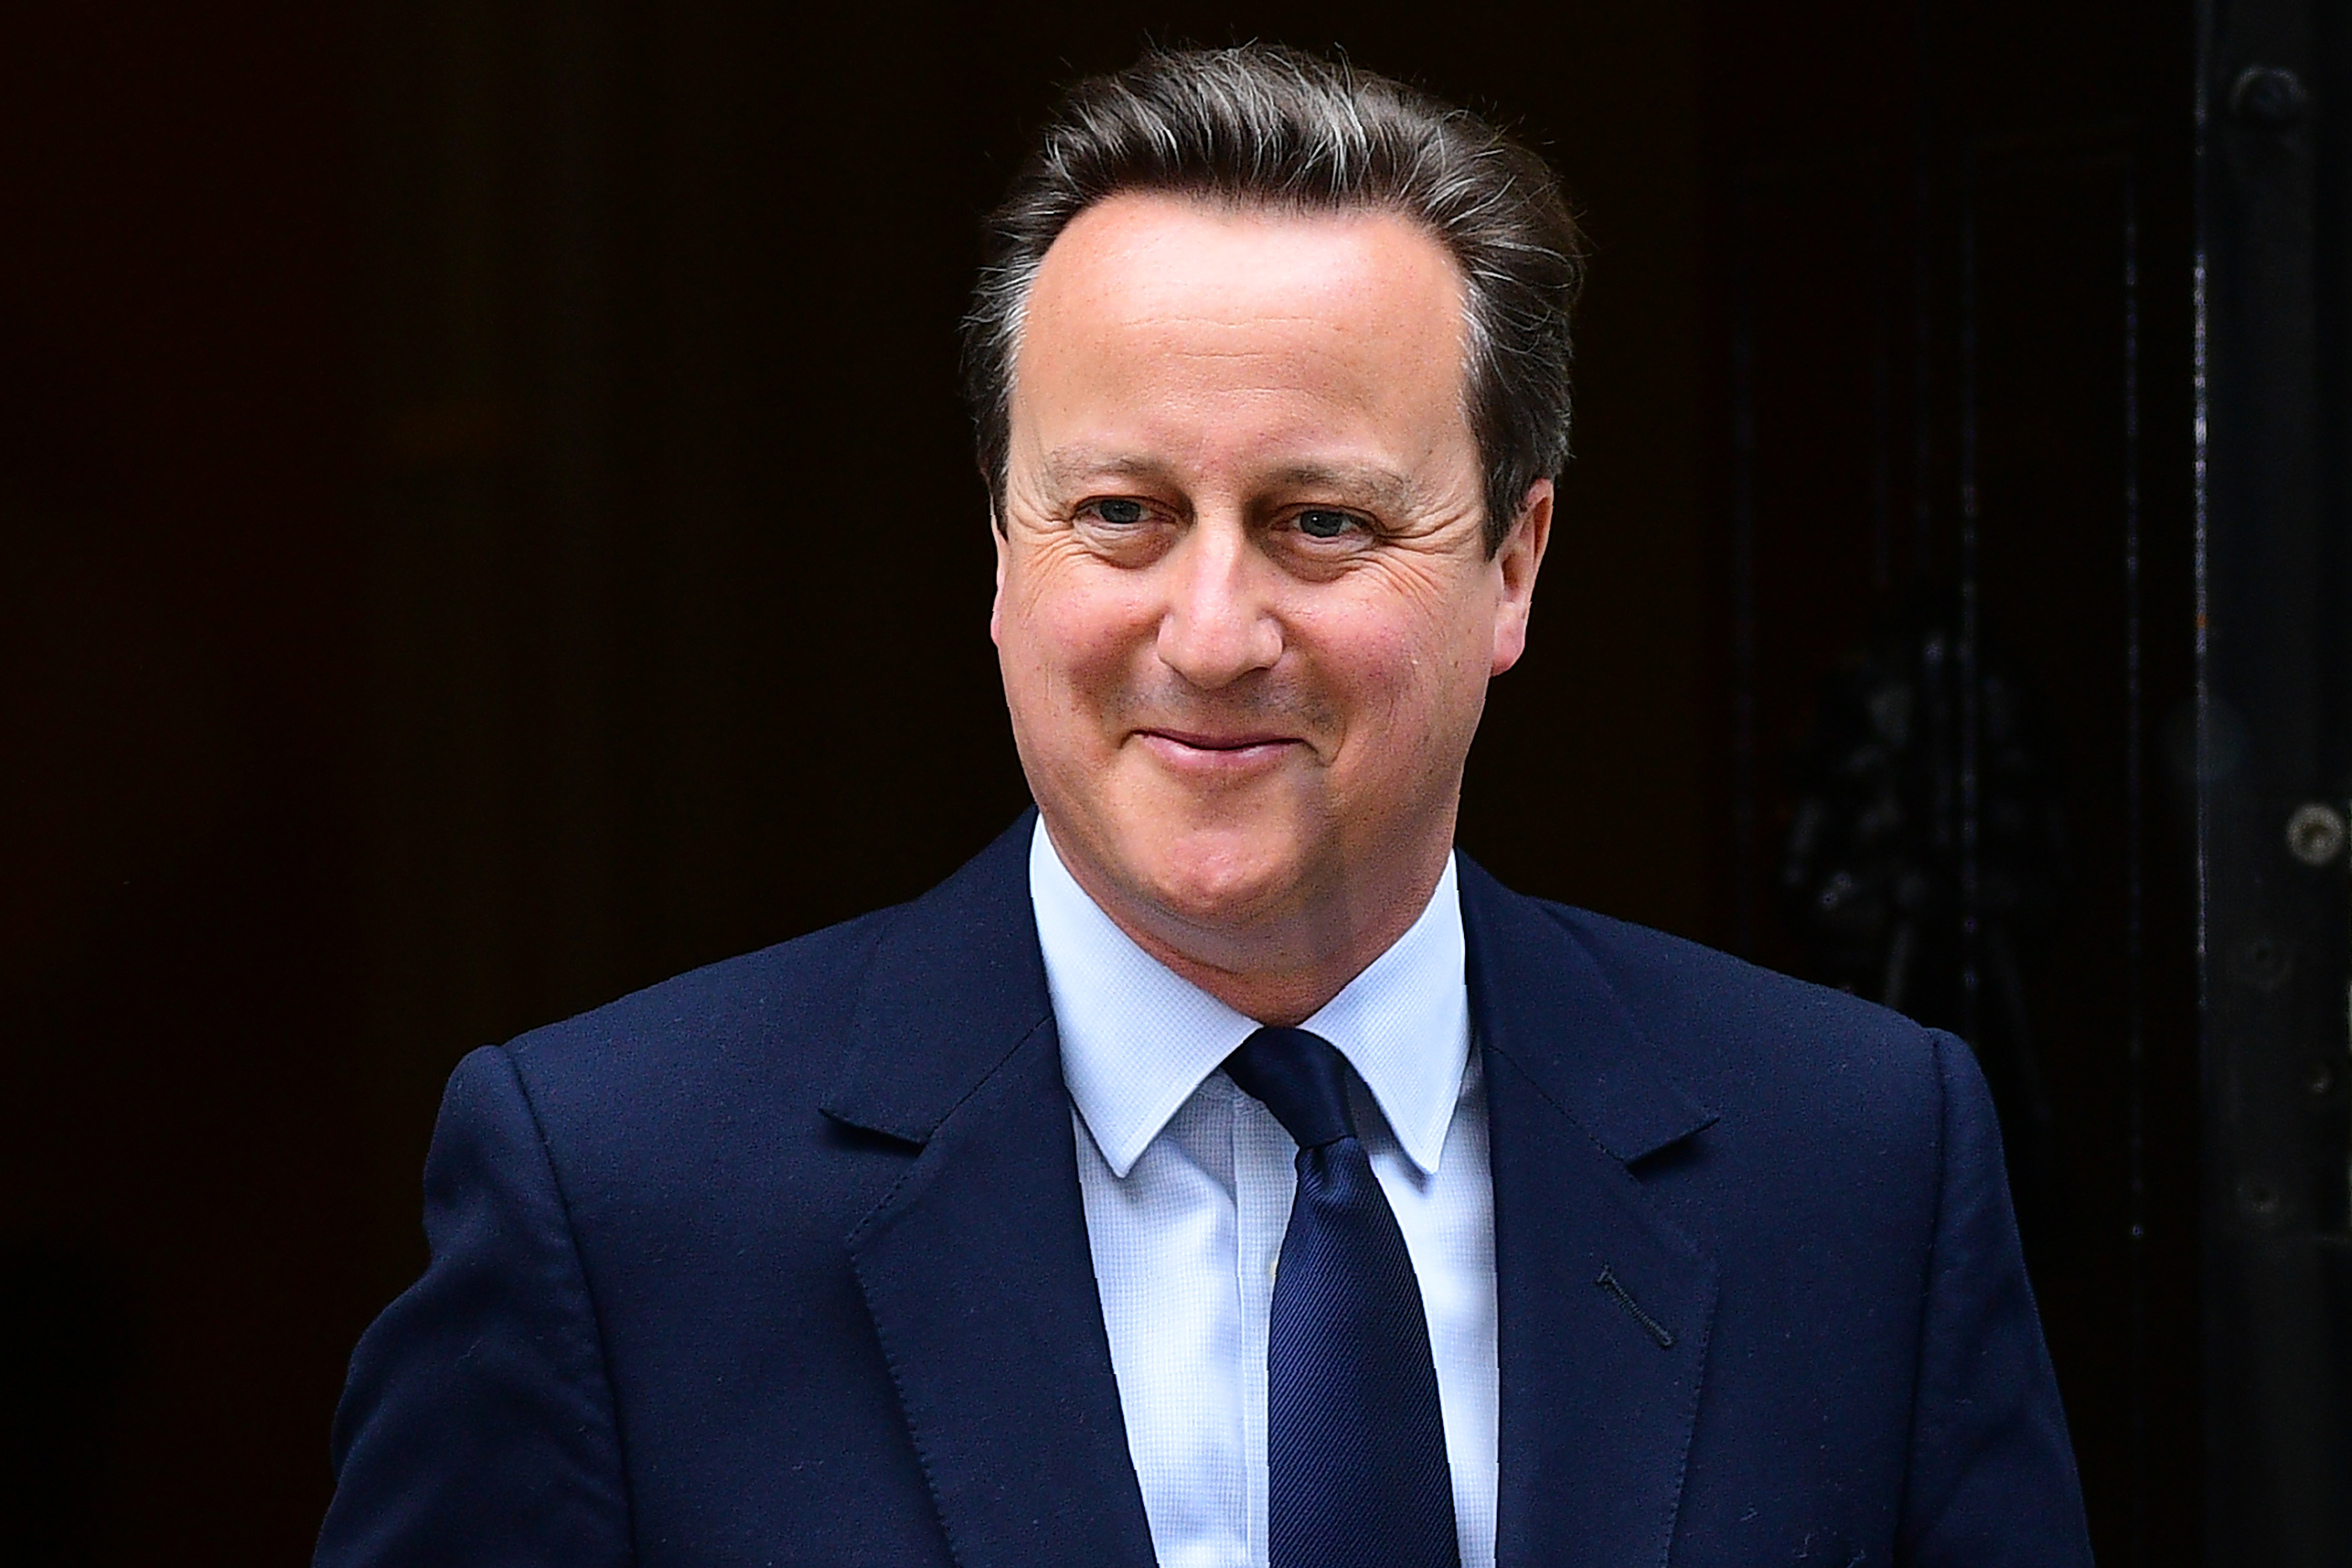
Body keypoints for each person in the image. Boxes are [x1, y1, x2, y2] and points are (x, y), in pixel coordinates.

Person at [316, 44, 2092, 1568]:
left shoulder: (1854, 1161)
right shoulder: (617, 1197)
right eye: (1120, 514)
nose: (1215, 631)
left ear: (1512, 564)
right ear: (999, 553)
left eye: (1322, 520)